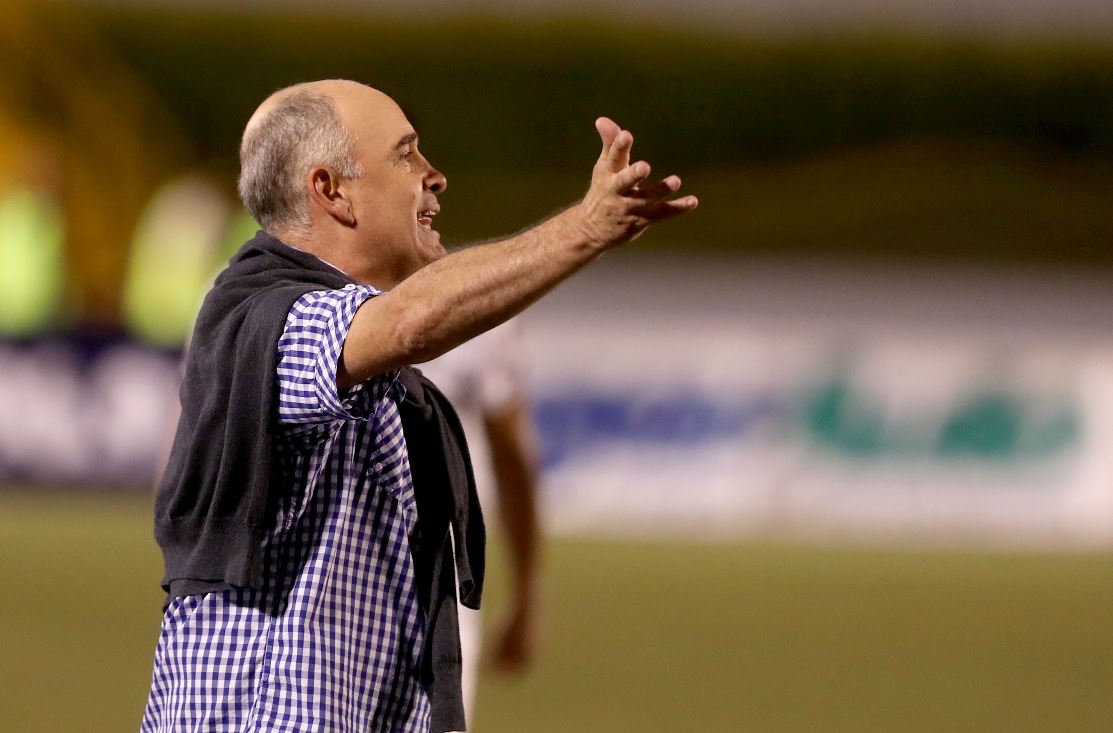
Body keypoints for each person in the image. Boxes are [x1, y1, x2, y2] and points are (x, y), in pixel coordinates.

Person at [141, 79, 696, 733]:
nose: (435, 177)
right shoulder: (265, 313)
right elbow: (408, 325)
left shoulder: (335, 331)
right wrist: (584, 228)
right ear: (331, 190)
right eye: (406, 155)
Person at [420, 319, 542, 726]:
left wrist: (527, 592)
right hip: (435, 579)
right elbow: (512, 458)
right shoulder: (480, 306)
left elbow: (512, 459)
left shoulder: (483, 309)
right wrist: (527, 592)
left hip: (443, 585)